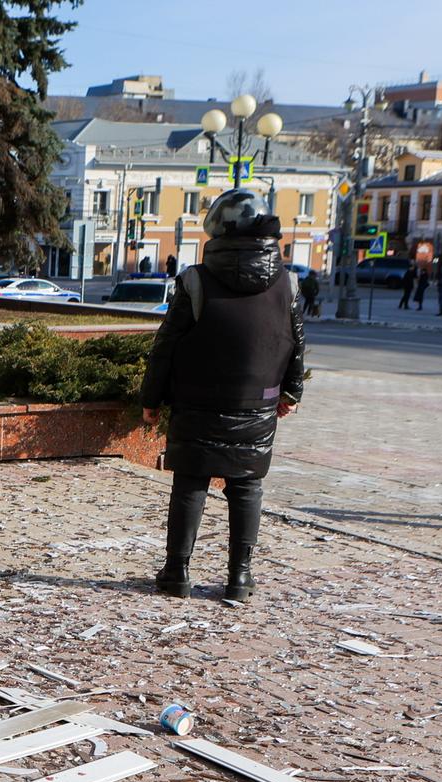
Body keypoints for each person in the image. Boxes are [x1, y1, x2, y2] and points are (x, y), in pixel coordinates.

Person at [141, 189, 306, 602]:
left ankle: (177, 573)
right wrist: (291, 392)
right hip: (258, 402)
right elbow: (296, 343)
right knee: (247, 485)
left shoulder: (195, 280)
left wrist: (151, 399)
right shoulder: (289, 282)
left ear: (215, 233)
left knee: (191, 483)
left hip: (196, 400)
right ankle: (240, 577)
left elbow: (167, 346)